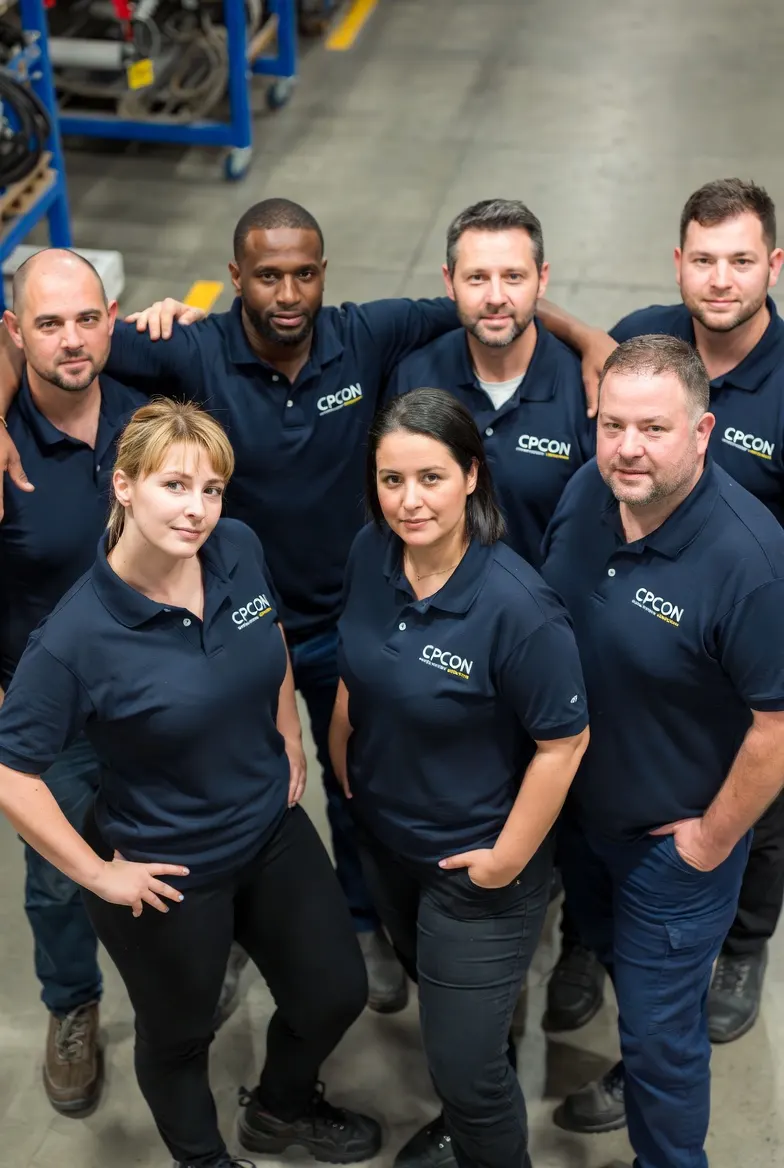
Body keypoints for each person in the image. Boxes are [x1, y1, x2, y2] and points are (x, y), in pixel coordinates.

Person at [0, 201, 477, 1014]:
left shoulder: (345, 341)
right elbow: (49, 351)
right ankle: (107, 990)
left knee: (343, 786)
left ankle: (344, 923)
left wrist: (590, 340)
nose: (287, 292)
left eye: (303, 273)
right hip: (143, 660)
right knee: (115, 844)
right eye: (266, 275)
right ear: (234, 280)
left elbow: (479, 302)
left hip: (293, 631)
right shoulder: (169, 359)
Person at [0, 397, 381, 1168]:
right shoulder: (77, 636)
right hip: (168, 870)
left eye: (212, 489)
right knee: (179, 1037)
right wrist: (99, 874)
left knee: (335, 991)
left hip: (270, 830)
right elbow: (13, 774)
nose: (199, 509)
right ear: (125, 487)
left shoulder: (235, 546)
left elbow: (266, 627)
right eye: (176, 486)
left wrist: (286, 731)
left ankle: (279, 1108)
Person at [538, 181, 784, 1106]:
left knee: (751, 832)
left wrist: (708, 841)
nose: (720, 279)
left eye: (742, 259)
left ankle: (740, 950)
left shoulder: (752, 549)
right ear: (678, 265)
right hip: (618, 725)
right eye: (703, 259)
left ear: (773, 265)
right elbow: (607, 365)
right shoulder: (647, 352)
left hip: (734, 656)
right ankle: (591, 951)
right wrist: (555, 318)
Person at [330, 387, 590, 1168]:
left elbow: (564, 744)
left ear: (472, 475)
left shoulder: (519, 609)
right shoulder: (367, 555)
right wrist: (346, 757)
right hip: (390, 843)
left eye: (431, 477)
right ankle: (473, 1100)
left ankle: (482, 1134)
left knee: (465, 1070)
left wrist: (506, 861)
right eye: (391, 479)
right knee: (449, 1018)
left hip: (477, 874)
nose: (409, 501)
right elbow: (355, 665)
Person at [387, 199, 595, 570]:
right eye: (477, 277)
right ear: (449, 283)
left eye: (513, 276)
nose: (496, 297)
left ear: (542, 279)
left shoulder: (586, 391)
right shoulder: (414, 379)